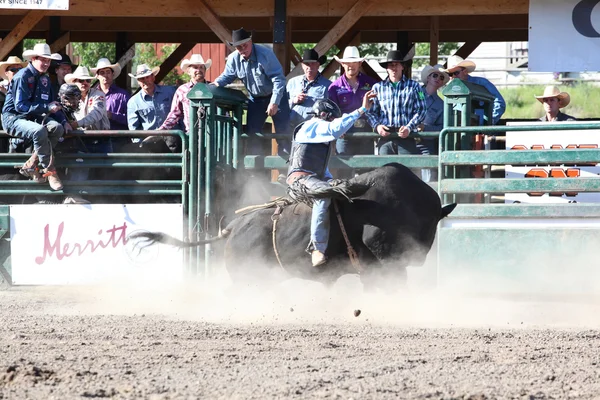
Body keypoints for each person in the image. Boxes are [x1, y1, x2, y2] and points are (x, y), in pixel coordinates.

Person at [286, 90, 376, 267]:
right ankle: (317, 248)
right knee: (324, 195)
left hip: (310, 179)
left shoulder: (315, 133)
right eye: (333, 118)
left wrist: (332, 181)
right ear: (324, 115)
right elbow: (334, 129)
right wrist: (362, 109)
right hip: (300, 181)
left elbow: (322, 170)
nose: (335, 122)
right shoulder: (313, 125)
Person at [1, 43, 71, 190]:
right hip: (13, 118)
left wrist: (64, 121)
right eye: (43, 60)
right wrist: (46, 107)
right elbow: (20, 106)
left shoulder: (45, 80)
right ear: (33, 59)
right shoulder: (22, 76)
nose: (46, 63)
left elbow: (52, 103)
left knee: (57, 128)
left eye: (48, 60)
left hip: (33, 118)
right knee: (39, 131)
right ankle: (50, 171)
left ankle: (32, 162)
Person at [213, 28, 290, 155]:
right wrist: (214, 85)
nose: (243, 49)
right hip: (256, 99)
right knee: (252, 133)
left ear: (251, 41)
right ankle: (255, 170)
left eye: (245, 45)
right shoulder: (233, 59)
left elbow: (279, 79)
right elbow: (227, 76)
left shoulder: (266, 54)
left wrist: (274, 102)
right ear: (235, 48)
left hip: (277, 97)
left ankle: (284, 171)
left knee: (283, 133)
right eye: (239, 47)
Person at [366, 48, 427, 156]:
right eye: (390, 65)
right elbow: (370, 112)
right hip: (385, 136)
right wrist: (377, 126)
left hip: (407, 136)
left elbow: (422, 110)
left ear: (402, 66)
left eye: (397, 64)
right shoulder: (377, 88)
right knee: (384, 171)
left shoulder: (414, 86)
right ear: (386, 68)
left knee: (408, 171)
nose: (394, 68)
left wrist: (409, 127)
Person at [328, 46, 377, 155]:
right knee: (344, 170)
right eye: (347, 62)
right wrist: (337, 127)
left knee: (367, 168)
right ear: (342, 64)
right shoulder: (334, 87)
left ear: (360, 64)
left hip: (366, 131)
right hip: (344, 133)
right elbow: (332, 112)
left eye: (354, 62)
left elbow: (377, 108)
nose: (351, 65)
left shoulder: (371, 83)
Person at [159, 54, 212, 145]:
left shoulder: (212, 88)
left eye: (201, 67)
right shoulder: (182, 90)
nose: (199, 70)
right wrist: (161, 130)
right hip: (191, 134)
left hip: (212, 134)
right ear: (189, 71)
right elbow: (175, 114)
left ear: (205, 70)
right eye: (195, 67)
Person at [127, 64, 177, 150]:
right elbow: (134, 129)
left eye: (147, 77)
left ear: (153, 77)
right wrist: (138, 147)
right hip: (150, 143)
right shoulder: (133, 102)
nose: (145, 80)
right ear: (138, 81)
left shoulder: (170, 91)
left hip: (173, 139)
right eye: (141, 78)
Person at [444, 55, 506, 125]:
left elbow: (499, 102)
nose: (453, 77)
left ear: (465, 71)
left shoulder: (482, 83)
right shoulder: (450, 90)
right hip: (459, 130)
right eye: (450, 74)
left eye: (456, 73)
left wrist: (489, 122)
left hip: (481, 129)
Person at [90, 58, 131, 150]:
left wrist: (112, 115)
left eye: (108, 72)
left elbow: (131, 120)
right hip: (96, 140)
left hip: (119, 141)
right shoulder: (91, 95)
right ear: (97, 76)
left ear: (113, 74)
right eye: (102, 72)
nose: (105, 75)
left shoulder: (123, 95)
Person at [286, 48, 331, 129]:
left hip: (315, 128)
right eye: (307, 64)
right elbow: (282, 105)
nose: (309, 67)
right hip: (292, 128)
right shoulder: (292, 82)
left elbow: (330, 110)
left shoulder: (327, 85)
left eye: (313, 64)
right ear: (302, 66)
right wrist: (294, 100)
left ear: (318, 65)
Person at [0, 56, 27, 151]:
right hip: (5, 130)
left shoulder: (28, 88)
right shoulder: (1, 88)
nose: (17, 72)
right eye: (13, 69)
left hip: (24, 128)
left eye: (20, 69)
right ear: (6, 73)